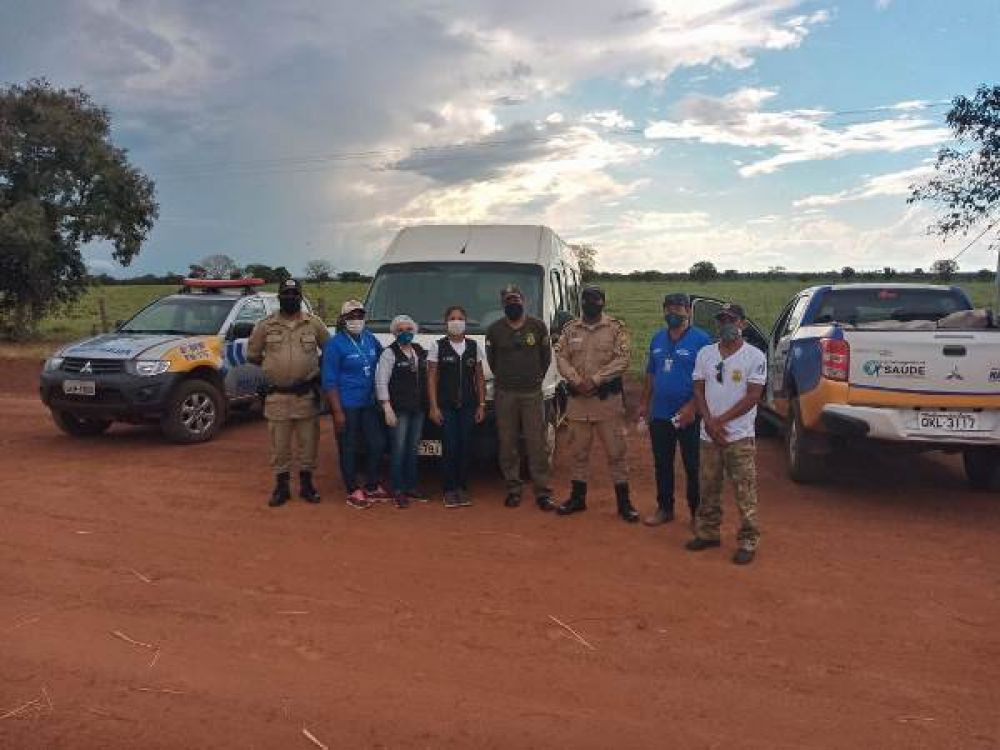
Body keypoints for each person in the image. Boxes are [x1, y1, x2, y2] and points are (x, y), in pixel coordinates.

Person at [685, 303, 766, 565]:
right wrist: (709, 422)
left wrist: (721, 421)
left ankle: (748, 540)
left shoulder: (755, 356)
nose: (725, 325)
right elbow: (698, 389)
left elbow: (753, 396)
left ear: (742, 324)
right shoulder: (705, 353)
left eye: (731, 320)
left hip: (739, 436)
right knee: (708, 487)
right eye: (721, 321)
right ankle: (708, 532)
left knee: (745, 491)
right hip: (708, 434)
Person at [554, 284, 640, 522]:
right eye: (587, 299)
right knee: (578, 453)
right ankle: (577, 498)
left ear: (603, 302)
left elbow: (623, 359)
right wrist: (575, 379)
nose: (591, 303)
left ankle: (624, 504)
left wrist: (595, 380)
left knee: (616, 453)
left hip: (607, 404)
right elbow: (561, 356)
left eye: (596, 299)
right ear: (581, 302)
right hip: (578, 403)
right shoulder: (570, 329)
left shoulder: (615, 329)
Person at [246, 278, 330, 507]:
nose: (290, 298)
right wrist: (273, 367)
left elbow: (330, 351)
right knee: (279, 445)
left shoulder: (314, 324)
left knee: (308, 443)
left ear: (300, 298)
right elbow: (252, 355)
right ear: (279, 297)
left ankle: (307, 485)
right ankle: (281, 487)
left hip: (306, 396)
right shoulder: (266, 325)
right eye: (286, 294)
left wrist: (316, 372)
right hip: (277, 397)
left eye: (294, 294)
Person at [639, 293, 712, 528]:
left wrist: (692, 407)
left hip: (690, 414)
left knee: (693, 465)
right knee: (662, 462)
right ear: (664, 311)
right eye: (669, 308)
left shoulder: (702, 340)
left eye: (679, 308)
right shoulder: (657, 339)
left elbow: (709, 379)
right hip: (660, 413)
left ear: (689, 311)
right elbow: (651, 373)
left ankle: (696, 513)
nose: (674, 313)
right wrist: (644, 403)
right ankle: (665, 508)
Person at [485, 285, 555, 510]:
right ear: (502, 304)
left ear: (523, 300)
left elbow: (545, 358)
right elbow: (492, 360)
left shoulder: (537, 326)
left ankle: (543, 492)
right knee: (508, 444)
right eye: (507, 300)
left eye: (515, 299)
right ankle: (513, 489)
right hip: (505, 393)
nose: (512, 303)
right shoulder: (495, 330)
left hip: (532, 393)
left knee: (537, 444)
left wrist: (534, 379)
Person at [321, 299, 389, 509]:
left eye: (359, 316)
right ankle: (352, 489)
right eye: (351, 316)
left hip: (368, 402)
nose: (356, 320)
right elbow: (329, 381)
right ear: (343, 319)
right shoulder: (335, 344)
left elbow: (386, 357)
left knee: (376, 443)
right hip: (346, 405)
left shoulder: (370, 339)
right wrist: (337, 411)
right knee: (348, 447)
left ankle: (371, 484)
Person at [428, 305, 486, 508]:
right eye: (452, 318)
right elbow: (432, 378)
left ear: (465, 322)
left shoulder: (473, 346)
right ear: (446, 322)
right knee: (450, 446)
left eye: (460, 318)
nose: (456, 321)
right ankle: (449, 489)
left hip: (469, 406)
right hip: (446, 406)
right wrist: (433, 407)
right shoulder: (438, 346)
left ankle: (462, 488)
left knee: (465, 446)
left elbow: (479, 377)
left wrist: (481, 405)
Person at [375, 315, 429, 509]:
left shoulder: (419, 351)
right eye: (400, 330)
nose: (405, 333)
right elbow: (381, 381)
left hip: (418, 409)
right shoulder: (389, 354)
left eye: (408, 329)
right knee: (398, 449)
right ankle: (398, 489)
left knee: (412, 449)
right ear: (394, 333)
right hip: (398, 410)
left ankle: (411, 486)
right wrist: (386, 406)